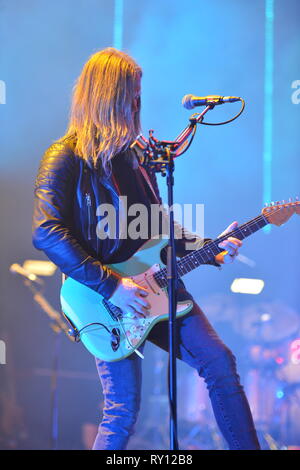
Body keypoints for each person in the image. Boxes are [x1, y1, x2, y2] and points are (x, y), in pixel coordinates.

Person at [32, 47, 260, 450]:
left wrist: (211, 248)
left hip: (155, 282)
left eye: (139, 94)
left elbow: (158, 225)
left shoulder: (132, 157)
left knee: (220, 364)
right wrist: (113, 286)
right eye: (131, 95)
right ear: (108, 96)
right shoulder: (63, 157)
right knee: (122, 411)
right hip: (104, 297)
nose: (137, 104)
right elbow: (47, 232)